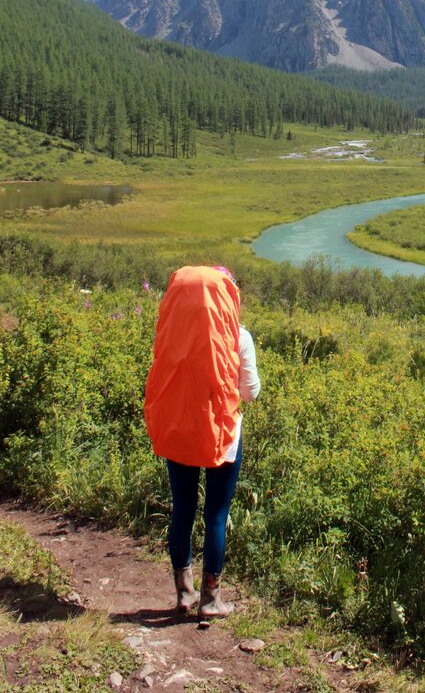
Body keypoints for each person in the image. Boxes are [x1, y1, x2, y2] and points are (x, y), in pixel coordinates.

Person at [144, 264, 261, 620]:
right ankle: (211, 600)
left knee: (182, 510)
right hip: (222, 436)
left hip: (180, 431)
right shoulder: (239, 336)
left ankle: (184, 593)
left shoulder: (171, 331)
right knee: (215, 514)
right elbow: (250, 393)